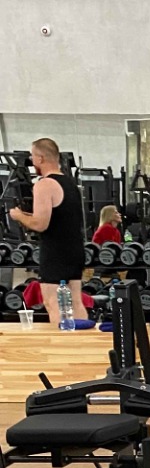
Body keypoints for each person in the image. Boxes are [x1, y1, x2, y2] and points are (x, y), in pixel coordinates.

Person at [9, 138, 87, 328]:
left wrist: (18, 216)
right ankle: (83, 342)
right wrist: (29, 215)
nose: (31, 161)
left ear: (40, 158)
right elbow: (59, 217)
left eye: (32, 156)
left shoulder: (44, 184)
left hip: (56, 252)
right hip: (75, 249)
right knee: (76, 301)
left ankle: (64, 344)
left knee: (53, 302)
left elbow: (40, 224)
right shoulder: (70, 184)